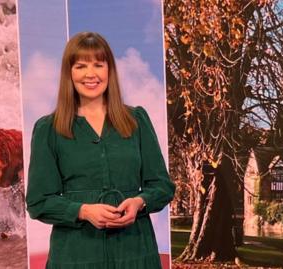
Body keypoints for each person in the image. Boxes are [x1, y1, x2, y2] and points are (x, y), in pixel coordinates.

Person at [26, 32, 175, 269]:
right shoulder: (48, 129)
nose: (90, 74)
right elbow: (38, 201)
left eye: (98, 64)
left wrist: (139, 202)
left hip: (135, 254)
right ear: (69, 73)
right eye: (81, 66)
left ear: (109, 70)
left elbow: (162, 186)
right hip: (76, 257)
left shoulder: (136, 120)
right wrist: (82, 211)